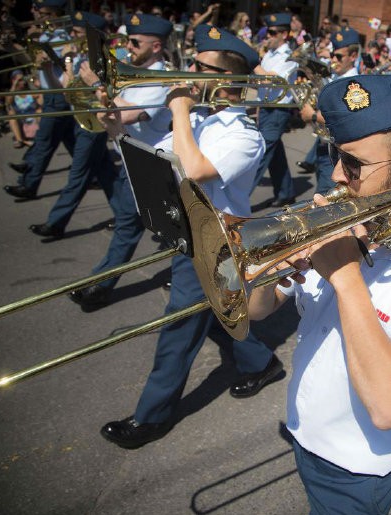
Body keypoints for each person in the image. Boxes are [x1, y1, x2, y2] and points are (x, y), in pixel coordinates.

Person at [247, 74, 391, 515]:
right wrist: (268, 270)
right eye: (336, 155)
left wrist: (345, 275)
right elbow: (258, 313)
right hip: (304, 429)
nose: (336, 174)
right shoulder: (342, 223)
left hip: (359, 465)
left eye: (354, 164)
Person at [99, 24, 281, 449]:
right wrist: (114, 128)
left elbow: (192, 170)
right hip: (188, 232)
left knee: (178, 325)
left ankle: (151, 417)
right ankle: (262, 362)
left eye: (200, 67)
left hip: (218, 242)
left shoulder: (244, 136)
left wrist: (179, 110)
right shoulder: (200, 120)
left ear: (227, 81)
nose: (187, 72)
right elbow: (157, 159)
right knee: (215, 313)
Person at [68, 13, 174, 308]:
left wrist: (97, 87)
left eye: (134, 42)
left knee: (166, 231)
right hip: (135, 162)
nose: (128, 46)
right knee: (135, 227)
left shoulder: (160, 79)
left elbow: (127, 113)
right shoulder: (132, 72)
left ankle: (100, 285)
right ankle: (99, 284)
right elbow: (108, 116)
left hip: (156, 168)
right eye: (128, 39)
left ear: (155, 46)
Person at [27, 11, 119, 240]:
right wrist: (62, 64)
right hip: (81, 120)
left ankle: (56, 222)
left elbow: (107, 96)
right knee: (106, 173)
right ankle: (126, 214)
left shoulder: (107, 60)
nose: (72, 35)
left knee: (78, 174)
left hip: (94, 125)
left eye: (77, 33)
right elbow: (67, 91)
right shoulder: (79, 57)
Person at [3, 0, 77, 199]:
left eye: (39, 11)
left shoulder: (60, 36)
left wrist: (49, 59)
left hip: (57, 94)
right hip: (49, 92)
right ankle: (94, 174)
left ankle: (28, 183)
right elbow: (31, 61)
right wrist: (12, 48)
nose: (33, 12)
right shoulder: (46, 33)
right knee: (71, 140)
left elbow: (66, 63)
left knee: (44, 142)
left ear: (52, 13)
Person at [298, 26, 360, 195]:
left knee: (324, 198)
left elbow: (345, 117)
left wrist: (311, 114)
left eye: (339, 56)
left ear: (353, 56)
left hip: (337, 150)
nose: (333, 60)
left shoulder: (353, 84)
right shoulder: (335, 78)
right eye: (333, 55)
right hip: (323, 142)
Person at [250, 13, 299, 207]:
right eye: (266, 32)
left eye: (271, 32)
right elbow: (259, 81)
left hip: (278, 110)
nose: (266, 36)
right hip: (265, 109)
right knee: (275, 155)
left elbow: (273, 80)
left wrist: (254, 64)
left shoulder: (289, 57)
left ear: (284, 34)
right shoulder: (269, 54)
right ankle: (286, 192)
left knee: (260, 154)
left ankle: (236, 200)